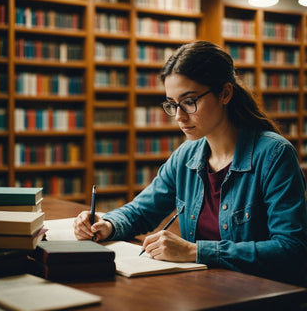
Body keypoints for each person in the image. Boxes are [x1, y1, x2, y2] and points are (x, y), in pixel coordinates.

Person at [74, 41, 307, 286]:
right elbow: (141, 211)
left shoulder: (274, 154)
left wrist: (195, 252)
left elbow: (291, 249)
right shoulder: (186, 155)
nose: (179, 116)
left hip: (263, 296)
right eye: (172, 104)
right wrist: (107, 224)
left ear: (225, 94)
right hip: (202, 289)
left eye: (189, 101)